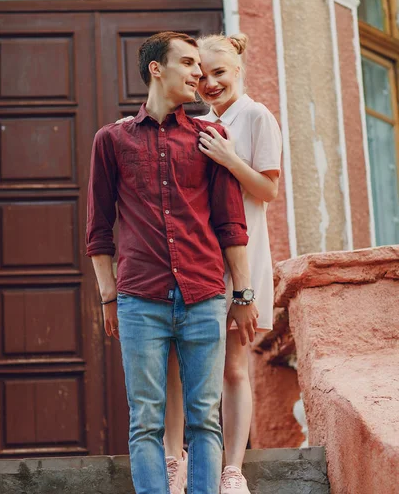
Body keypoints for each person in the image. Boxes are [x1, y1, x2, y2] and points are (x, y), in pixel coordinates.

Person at [86, 31, 258, 494]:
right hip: (140, 300)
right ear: (156, 69)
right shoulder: (112, 141)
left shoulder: (211, 137)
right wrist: (108, 296)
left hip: (204, 297)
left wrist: (242, 294)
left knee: (206, 419)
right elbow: (99, 229)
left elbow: (231, 224)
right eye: (188, 63)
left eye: (200, 65)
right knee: (146, 420)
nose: (198, 73)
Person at [163, 33, 282, 494]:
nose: (210, 83)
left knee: (233, 368)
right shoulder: (203, 122)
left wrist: (231, 159)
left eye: (220, 74)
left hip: (243, 258)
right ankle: (179, 460)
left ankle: (233, 469)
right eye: (203, 75)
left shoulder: (255, 116)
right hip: (199, 261)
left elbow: (268, 192)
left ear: (238, 72)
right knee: (180, 363)